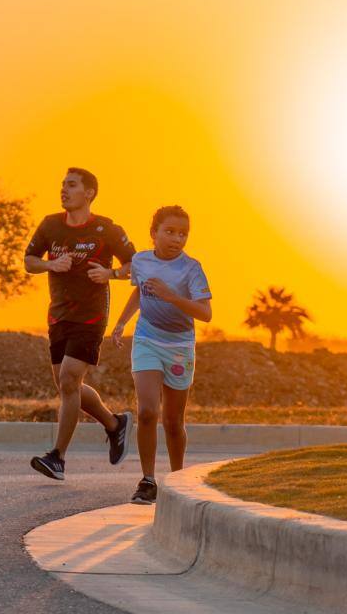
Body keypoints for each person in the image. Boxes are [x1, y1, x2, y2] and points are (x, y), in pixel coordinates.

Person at [24, 168, 136, 481]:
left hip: (91, 315)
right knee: (65, 384)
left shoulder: (106, 228)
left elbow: (133, 263)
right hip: (58, 314)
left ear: (89, 193)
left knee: (70, 379)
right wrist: (49, 263)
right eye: (62, 184)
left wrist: (111, 274)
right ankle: (115, 425)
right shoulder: (51, 224)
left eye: (71, 185)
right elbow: (28, 260)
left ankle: (57, 457)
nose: (63, 190)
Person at [111, 206, 212, 504]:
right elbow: (138, 292)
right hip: (147, 340)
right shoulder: (141, 260)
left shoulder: (191, 269)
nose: (177, 239)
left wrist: (172, 296)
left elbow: (205, 313)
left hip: (179, 347)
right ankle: (148, 480)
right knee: (146, 412)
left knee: (172, 421)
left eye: (183, 234)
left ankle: (178, 480)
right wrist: (121, 322)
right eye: (169, 232)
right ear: (153, 233)